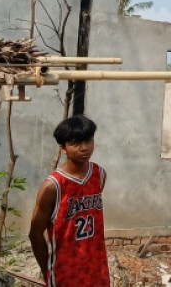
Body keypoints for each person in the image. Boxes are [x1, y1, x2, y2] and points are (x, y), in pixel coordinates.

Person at [28, 115, 110, 287]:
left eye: (88, 141)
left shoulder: (99, 175)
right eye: (75, 143)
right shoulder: (53, 186)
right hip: (66, 269)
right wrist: (47, 271)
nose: (84, 148)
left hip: (97, 266)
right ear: (63, 148)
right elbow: (35, 233)